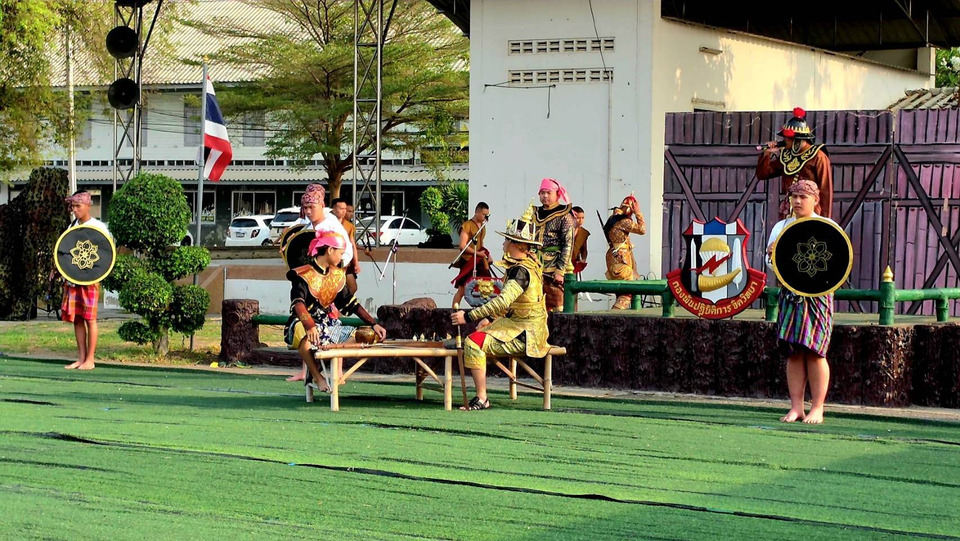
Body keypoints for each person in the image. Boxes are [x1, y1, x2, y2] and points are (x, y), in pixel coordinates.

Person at [450, 204, 549, 410]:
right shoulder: (529, 265)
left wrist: (468, 316)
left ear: (515, 244)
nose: (503, 243)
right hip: (526, 326)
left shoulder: (520, 271)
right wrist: (490, 319)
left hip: (525, 333)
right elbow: (510, 303)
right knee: (479, 334)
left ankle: (482, 397)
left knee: (473, 343)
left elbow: (503, 301)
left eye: (507, 239)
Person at [766, 180, 834, 424]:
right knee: (793, 351)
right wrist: (773, 254)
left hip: (818, 296)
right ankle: (796, 407)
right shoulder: (781, 227)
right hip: (790, 293)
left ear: (815, 199)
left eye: (803, 197)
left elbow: (836, 264)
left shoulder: (827, 227)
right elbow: (771, 264)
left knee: (815, 351)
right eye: (794, 196)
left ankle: (817, 407)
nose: (797, 201)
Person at [285, 230, 386, 392]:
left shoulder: (336, 275)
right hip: (302, 323)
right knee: (306, 338)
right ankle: (318, 377)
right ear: (330, 250)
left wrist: (373, 324)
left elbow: (350, 303)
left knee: (360, 336)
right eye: (340, 252)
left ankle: (321, 364)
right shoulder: (303, 275)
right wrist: (310, 325)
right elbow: (298, 304)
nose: (341, 257)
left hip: (326, 324)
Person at [286, 184, 353, 381]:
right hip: (312, 282)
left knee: (334, 323)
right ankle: (307, 371)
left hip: (330, 281)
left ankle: (337, 371)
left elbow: (346, 251)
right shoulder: (307, 226)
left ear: (321, 205)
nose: (308, 211)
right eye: (305, 208)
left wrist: (332, 274)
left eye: (311, 207)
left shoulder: (332, 226)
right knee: (308, 323)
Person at [58, 191, 110, 370]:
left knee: (90, 318)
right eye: (72, 206)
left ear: (88, 206)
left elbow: (106, 254)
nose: (74, 210)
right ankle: (81, 358)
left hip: (90, 279)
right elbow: (64, 252)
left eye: (78, 206)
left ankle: (90, 359)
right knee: (78, 318)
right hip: (73, 279)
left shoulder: (98, 227)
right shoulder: (71, 227)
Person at [757, 107, 833, 219]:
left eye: (788, 138)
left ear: (798, 139)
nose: (785, 141)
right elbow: (762, 174)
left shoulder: (818, 156)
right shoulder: (787, 155)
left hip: (810, 212)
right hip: (789, 210)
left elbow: (825, 190)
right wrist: (767, 154)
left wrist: (825, 220)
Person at [532, 178, 575, 312]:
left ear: (557, 194)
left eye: (548, 192)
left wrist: (560, 270)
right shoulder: (533, 213)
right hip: (534, 262)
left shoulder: (564, 214)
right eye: (542, 193)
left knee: (557, 304)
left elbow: (568, 244)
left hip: (554, 265)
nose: (545, 196)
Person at [603, 195, 646, 309]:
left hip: (615, 259)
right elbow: (642, 230)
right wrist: (638, 213)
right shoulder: (623, 221)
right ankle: (613, 316)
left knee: (621, 293)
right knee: (626, 294)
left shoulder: (613, 218)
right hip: (621, 260)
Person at [451, 202, 493, 308]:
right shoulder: (467, 225)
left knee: (486, 286)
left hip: (479, 260)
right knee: (462, 289)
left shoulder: (483, 226)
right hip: (468, 260)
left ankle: (483, 312)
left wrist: (487, 254)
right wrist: (478, 253)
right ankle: (454, 311)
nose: (486, 217)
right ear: (477, 213)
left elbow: (480, 245)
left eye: (487, 215)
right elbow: (462, 246)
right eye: (484, 215)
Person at [331, 197, 361, 296]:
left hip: (346, 261)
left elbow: (352, 244)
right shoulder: (327, 222)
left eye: (345, 209)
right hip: (331, 261)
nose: (344, 211)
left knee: (352, 287)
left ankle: (341, 304)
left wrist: (356, 263)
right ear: (333, 209)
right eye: (341, 209)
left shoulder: (349, 226)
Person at [571, 206, 590, 274]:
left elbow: (584, 248)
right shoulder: (564, 230)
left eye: (582, 218)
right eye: (578, 218)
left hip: (574, 263)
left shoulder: (583, 233)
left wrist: (583, 259)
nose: (581, 221)